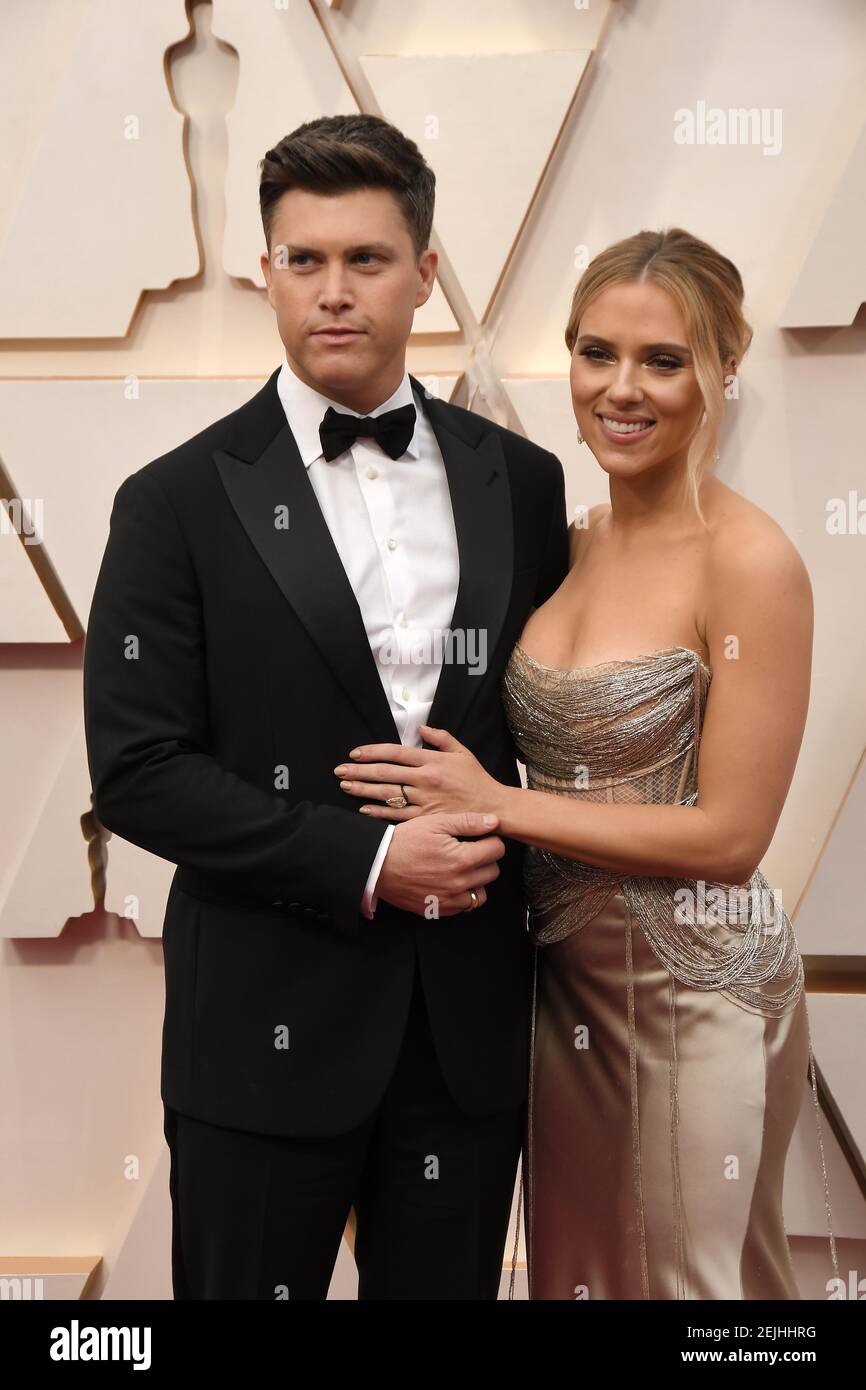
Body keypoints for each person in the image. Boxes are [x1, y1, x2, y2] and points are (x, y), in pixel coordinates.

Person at [82, 113, 569, 1299]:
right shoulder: (172, 500)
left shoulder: (522, 479)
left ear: (425, 275)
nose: (332, 292)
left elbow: (543, 735)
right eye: (303, 262)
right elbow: (138, 767)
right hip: (259, 1031)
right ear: (266, 276)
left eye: (365, 260)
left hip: (467, 1036)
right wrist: (367, 860)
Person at [334, 227, 838, 1300]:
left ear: (722, 371)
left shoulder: (749, 562)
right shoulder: (571, 540)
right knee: (582, 1280)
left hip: (695, 991)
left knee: (701, 1292)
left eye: (662, 360)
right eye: (594, 351)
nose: (622, 388)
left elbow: (730, 837)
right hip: (562, 997)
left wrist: (499, 806)